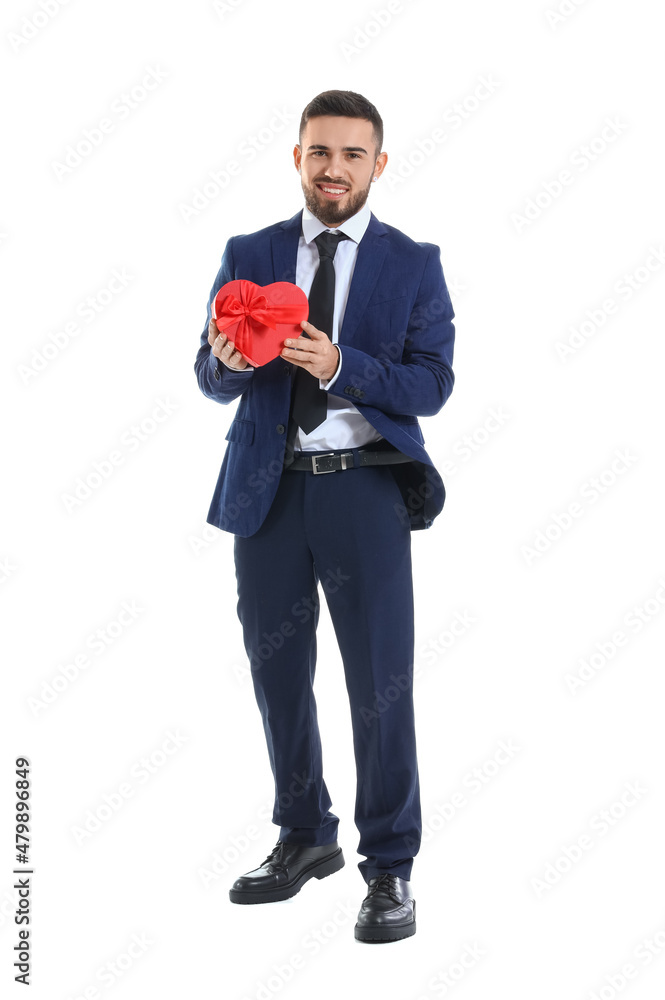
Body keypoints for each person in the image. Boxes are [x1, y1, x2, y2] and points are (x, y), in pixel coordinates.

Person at [194, 90, 455, 943]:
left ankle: (390, 868)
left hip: (364, 489)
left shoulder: (413, 262)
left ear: (377, 164)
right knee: (277, 678)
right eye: (318, 152)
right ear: (296, 157)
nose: (333, 168)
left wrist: (346, 365)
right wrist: (228, 363)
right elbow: (210, 373)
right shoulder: (250, 250)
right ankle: (304, 836)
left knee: (378, 685)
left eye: (351, 154)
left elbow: (431, 385)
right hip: (268, 490)